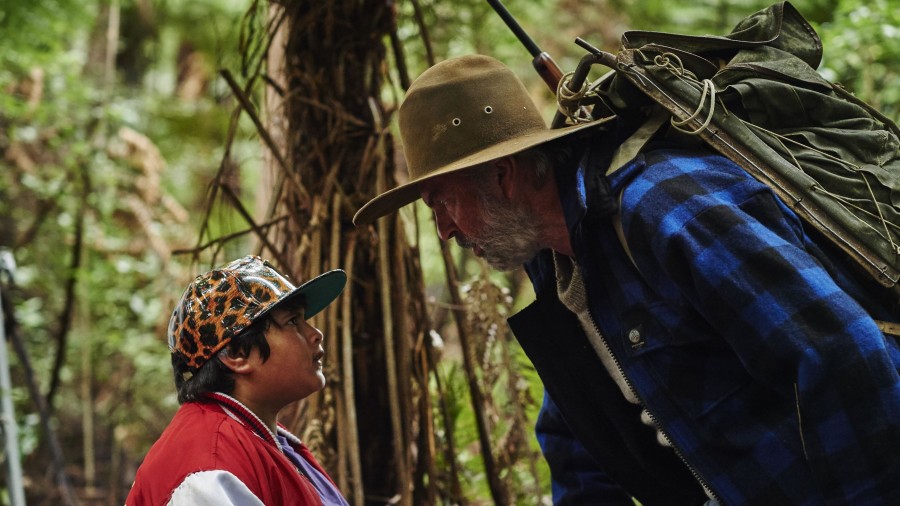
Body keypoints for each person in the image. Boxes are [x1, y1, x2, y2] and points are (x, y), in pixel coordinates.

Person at [352, 54, 900, 504]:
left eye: (441, 203)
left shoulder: (663, 209)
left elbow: (841, 354)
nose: (444, 230)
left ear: (503, 175)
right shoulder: (556, 263)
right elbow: (580, 437)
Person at [126, 255, 350, 505]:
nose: (315, 334)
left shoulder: (263, 439)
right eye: (292, 322)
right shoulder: (209, 469)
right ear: (237, 354)